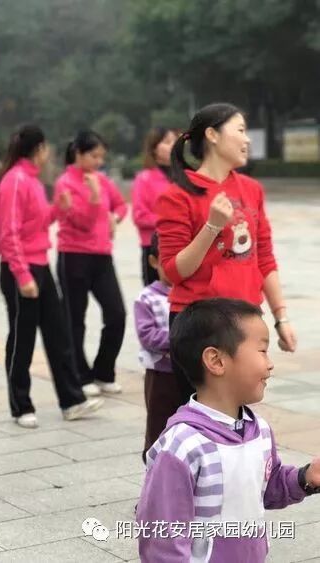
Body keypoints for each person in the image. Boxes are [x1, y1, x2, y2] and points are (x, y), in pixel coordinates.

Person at [136, 298, 320, 562]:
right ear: (216, 361)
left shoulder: (259, 430)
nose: (270, 364)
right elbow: (162, 538)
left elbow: (268, 488)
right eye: (262, 350)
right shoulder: (182, 446)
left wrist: (306, 477)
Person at [156, 102, 297, 406]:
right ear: (212, 135)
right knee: (204, 417)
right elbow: (172, 272)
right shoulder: (177, 195)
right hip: (201, 324)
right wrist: (212, 227)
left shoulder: (252, 189)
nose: (247, 139)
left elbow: (264, 259)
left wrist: (281, 317)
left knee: (240, 413)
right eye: (241, 130)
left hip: (246, 321)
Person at [0, 124, 103, 429]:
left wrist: (58, 210)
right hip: (21, 270)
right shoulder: (15, 181)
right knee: (23, 339)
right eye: (46, 147)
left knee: (58, 333)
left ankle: (72, 400)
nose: (49, 152)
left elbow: (36, 225)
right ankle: (21, 405)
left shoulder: (32, 180)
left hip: (40, 265)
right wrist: (22, 274)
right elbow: (9, 232)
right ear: (39, 148)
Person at [55, 130, 128, 396]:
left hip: (102, 256)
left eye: (101, 157)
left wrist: (114, 218)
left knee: (117, 314)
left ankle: (103, 371)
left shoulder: (102, 179)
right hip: (73, 256)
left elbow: (121, 205)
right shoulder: (64, 183)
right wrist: (96, 198)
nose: (99, 161)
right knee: (75, 319)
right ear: (79, 153)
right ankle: (80, 375)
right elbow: (82, 222)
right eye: (94, 156)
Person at [133, 232, 177, 461]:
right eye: (167, 259)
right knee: (159, 427)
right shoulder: (147, 298)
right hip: (160, 375)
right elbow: (147, 335)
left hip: (189, 374)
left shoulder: (193, 295)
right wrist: (180, 338)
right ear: (153, 261)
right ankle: (154, 467)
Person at [131, 127, 178, 285]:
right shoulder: (144, 179)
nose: (173, 145)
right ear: (154, 148)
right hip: (154, 249)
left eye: (175, 141)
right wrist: (170, 220)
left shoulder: (184, 177)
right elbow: (140, 216)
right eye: (167, 142)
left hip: (182, 246)